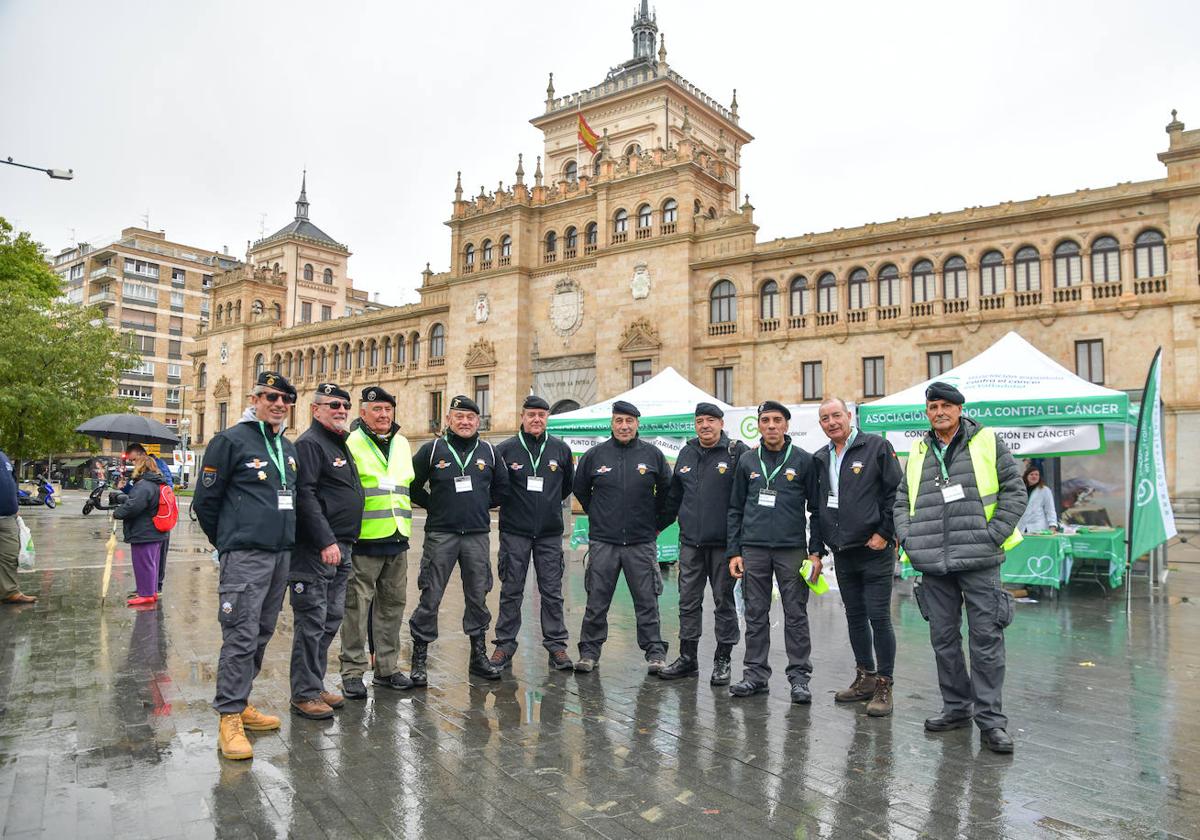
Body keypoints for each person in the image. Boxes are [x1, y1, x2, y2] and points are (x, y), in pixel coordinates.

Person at [895, 381, 1026, 755]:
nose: (939, 412)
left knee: (986, 640)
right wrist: (908, 537)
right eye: (933, 406)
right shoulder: (919, 448)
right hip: (933, 561)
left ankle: (991, 722)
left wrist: (994, 534)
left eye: (945, 406)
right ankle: (956, 708)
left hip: (979, 558)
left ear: (959, 409)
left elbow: (1014, 490)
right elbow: (902, 499)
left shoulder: (986, 440)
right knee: (944, 640)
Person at [192, 371, 299, 761]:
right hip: (246, 556)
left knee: (262, 631)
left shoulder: (287, 447)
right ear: (254, 398)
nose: (278, 404)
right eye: (270, 396)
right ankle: (229, 717)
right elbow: (205, 503)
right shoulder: (229, 441)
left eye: (286, 399)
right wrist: (228, 544)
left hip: (279, 554)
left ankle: (242, 700)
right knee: (239, 632)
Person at [727, 400, 823, 703]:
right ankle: (755, 675)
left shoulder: (805, 461)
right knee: (755, 614)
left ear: (786, 424)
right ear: (758, 425)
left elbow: (817, 510)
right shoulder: (746, 461)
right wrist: (735, 552)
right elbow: (735, 509)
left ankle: (799, 679)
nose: (771, 425)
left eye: (777, 420)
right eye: (765, 420)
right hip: (753, 549)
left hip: (791, 549)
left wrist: (815, 552)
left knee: (796, 614)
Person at [409, 395, 510, 683]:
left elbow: (502, 489)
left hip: (476, 536)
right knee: (431, 595)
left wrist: (479, 506)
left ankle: (478, 657)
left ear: (478, 421)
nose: (465, 422)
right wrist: (434, 506)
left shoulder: (489, 452)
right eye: (459, 417)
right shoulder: (432, 450)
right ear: (449, 420)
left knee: (478, 596)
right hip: (441, 535)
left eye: (470, 417)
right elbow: (412, 485)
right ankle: (419, 660)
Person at [813, 397, 904, 716]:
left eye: (836, 415)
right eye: (825, 418)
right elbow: (819, 506)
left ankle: (884, 684)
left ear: (849, 416)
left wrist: (885, 532)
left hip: (874, 548)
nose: (832, 422)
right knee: (854, 616)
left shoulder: (876, 446)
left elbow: (896, 493)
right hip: (843, 550)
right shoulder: (821, 457)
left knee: (878, 617)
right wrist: (821, 546)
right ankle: (864, 676)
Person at [572, 400, 672, 674]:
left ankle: (655, 654)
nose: (624, 426)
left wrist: (656, 526)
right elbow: (580, 489)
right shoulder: (595, 456)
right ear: (612, 423)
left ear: (637, 423)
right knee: (596, 602)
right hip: (604, 542)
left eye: (629, 421)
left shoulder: (653, 456)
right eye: (619, 421)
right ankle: (589, 653)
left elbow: (669, 494)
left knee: (647, 601)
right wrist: (600, 515)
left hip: (641, 543)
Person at [657, 402, 748, 684]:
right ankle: (688, 658)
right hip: (691, 545)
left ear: (721, 423)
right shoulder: (686, 452)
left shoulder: (736, 452)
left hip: (724, 546)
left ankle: (723, 660)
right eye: (699, 421)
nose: (705, 425)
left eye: (710, 420)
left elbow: (746, 502)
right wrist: (653, 528)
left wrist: (740, 547)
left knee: (724, 603)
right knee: (688, 602)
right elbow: (673, 498)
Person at [289, 383, 364, 719]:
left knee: (330, 619)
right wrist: (325, 540)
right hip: (317, 550)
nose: (341, 410)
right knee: (312, 620)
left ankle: (314, 683)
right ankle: (304, 693)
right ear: (315, 409)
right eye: (334, 404)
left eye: (345, 405)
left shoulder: (338, 442)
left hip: (341, 547)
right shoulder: (309, 444)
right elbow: (304, 496)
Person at [491, 395, 576, 672]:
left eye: (541, 414)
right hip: (515, 532)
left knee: (552, 592)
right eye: (531, 415)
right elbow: (497, 489)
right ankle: (504, 645)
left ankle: (557, 646)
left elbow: (566, 487)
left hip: (550, 534)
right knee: (511, 590)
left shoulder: (560, 450)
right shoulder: (505, 450)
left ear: (547, 417)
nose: (537, 419)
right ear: (522, 417)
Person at [341, 385, 416, 697]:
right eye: (377, 410)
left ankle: (387, 668)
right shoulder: (350, 442)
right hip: (365, 540)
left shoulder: (400, 443)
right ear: (363, 413)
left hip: (397, 538)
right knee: (356, 608)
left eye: (388, 409)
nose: (384, 415)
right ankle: (352, 671)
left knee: (392, 607)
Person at [112, 457, 170, 607]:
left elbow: (134, 506)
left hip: (144, 532)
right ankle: (151, 592)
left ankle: (145, 594)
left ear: (141, 467)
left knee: (143, 564)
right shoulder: (158, 483)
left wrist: (117, 512)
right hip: (156, 532)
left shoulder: (144, 485)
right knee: (152, 564)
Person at [124, 443, 174, 594]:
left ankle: (155, 586)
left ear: (141, 455)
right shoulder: (141, 473)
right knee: (148, 558)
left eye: (133, 460)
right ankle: (147, 588)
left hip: (159, 518)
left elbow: (166, 487)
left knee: (157, 555)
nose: (132, 463)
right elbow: (137, 495)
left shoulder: (158, 465)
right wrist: (125, 488)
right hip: (148, 518)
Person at [0, 447, 35, 604]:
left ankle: (9, 592)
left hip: (8, 516)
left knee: (10, 555)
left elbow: (12, 481)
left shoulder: (4, 457)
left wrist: (15, 502)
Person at [1017, 463, 1057, 533]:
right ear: (1026, 476)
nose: (1034, 476)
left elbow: (1050, 509)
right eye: (1031, 474)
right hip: (1021, 527)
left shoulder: (1045, 490)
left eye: (1036, 474)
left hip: (1038, 527)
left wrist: (1052, 525)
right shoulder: (1020, 489)